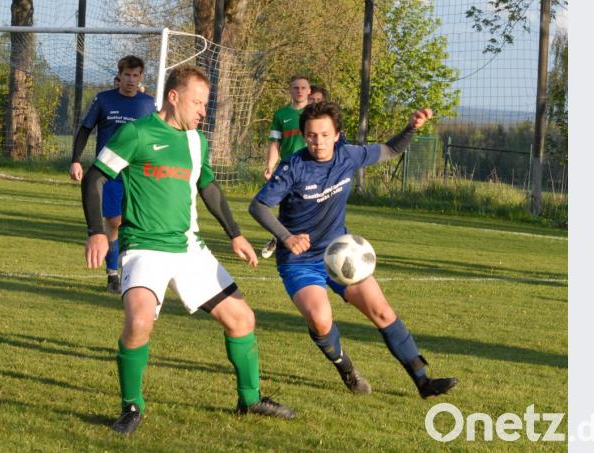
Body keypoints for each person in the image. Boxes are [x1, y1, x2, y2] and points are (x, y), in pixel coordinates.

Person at [82, 64, 296, 434]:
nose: (202, 111)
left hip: (188, 247)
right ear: (174, 97)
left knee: (242, 319)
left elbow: (208, 187)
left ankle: (250, 399)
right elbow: (95, 177)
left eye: (206, 105)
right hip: (144, 248)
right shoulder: (136, 133)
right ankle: (132, 406)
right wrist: (97, 232)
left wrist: (235, 234)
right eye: (197, 103)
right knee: (138, 322)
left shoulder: (198, 142)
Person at [249, 101, 458, 399]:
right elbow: (258, 205)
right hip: (300, 261)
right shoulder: (293, 167)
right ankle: (345, 366)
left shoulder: (348, 155)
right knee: (321, 320)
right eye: (311, 135)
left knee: (382, 311)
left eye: (324, 134)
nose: (317, 142)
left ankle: (424, 381)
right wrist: (286, 237)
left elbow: (389, 150)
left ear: (337, 135)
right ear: (304, 135)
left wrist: (411, 127)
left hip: (339, 254)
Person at [70, 55, 156, 293]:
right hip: (109, 174)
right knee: (115, 222)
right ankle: (113, 275)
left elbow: (156, 137)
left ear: (141, 77)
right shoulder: (104, 99)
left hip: (138, 175)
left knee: (138, 225)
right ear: (120, 76)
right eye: (127, 75)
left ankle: (132, 273)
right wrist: (76, 160)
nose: (131, 80)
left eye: (135, 76)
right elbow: (86, 129)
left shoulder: (148, 104)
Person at [260, 75, 311, 259]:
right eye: (296, 88)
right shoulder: (281, 115)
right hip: (288, 168)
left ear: (309, 91)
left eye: (303, 87)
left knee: (308, 204)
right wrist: (270, 166)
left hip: (311, 167)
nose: (299, 91)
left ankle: (287, 238)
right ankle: (281, 237)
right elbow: (275, 143)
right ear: (290, 90)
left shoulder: (314, 113)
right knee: (287, 205)